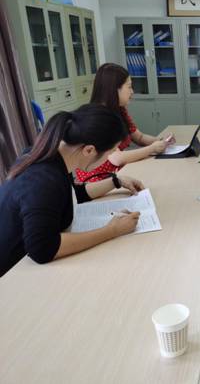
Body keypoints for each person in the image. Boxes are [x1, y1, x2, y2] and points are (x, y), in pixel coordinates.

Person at [0, 104, 144, 277]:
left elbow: (75, 194)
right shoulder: (43, 181)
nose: (111, 157)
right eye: (111, 151)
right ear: (89, 150)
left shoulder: (52, 156)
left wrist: (116, 181)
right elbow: (43, 249)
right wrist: (112, 231)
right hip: (11, 274)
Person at [75, 63, 176, 183]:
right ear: (114, 89)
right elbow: (117, 158)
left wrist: (161, 142)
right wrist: (152, 148)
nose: (132, 91)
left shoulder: (119, 109)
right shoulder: (99, 118)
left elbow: (139, 137)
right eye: (129, 87)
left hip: (117, 173)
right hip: (98, 181)